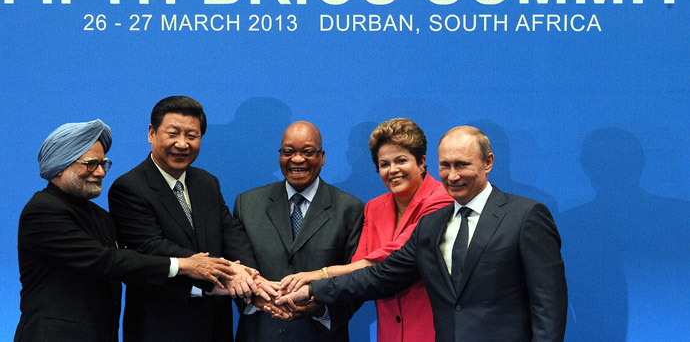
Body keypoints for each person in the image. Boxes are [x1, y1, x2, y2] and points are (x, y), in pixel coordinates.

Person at [278, 125, 568, 342]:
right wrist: (313, 290)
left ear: (488, 162)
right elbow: (380, 275)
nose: (452, 176)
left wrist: (318, 277)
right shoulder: (433, 225)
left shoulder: (526, 216)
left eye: (462, 165)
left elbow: (548, 305)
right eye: (446, 166)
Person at [15, 119, 237, 342]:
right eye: (91, 163)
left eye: (104, 163)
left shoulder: (98, 215)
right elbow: (106, 260)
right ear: (61, 164)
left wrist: (204, 288)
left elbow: (136, 262)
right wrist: (183, 264)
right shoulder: (43, 211)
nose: (101, 172)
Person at [280, 118, 453, 341]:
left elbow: (391, 261)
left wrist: (316, 277)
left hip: (432, 332)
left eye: (401, 160)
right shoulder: (374, 208)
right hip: (388, 333)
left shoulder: (442, 202)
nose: (393, 170)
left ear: (421, 162)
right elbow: (359, 268)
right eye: (384, 164)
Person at [108, 96, 261, 342]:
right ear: (151, 133)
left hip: (214, 326)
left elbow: (230, 231)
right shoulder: (129, 187)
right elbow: (152, 247)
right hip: (162, 325)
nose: (182, 144)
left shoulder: (207, 182)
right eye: (173, 133)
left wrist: (249, 273)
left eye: (192, 136)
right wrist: (228, 273)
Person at [232, 121, 365, 342]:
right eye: (288, 152)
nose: (297, 159)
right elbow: (236, 267)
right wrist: (255, 300)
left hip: (320, 335)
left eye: (308, 152)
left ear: (322, 157)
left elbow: (357, 280)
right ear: (280, 156)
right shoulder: (247, 204)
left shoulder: (350, 209)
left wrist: (320, 309)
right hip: (260, 333)